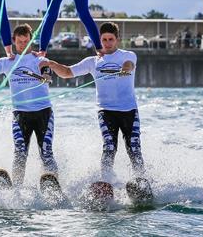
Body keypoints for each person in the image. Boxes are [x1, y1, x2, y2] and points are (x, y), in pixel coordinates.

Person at [44, 22, 145, 180]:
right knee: (109, 146)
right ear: (100, 40)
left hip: (129, 110)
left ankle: (141, 179)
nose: (107, 43)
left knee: (134, 147)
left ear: (117, 39)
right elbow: (68, 72)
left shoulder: (128, 55)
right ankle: (106, 181)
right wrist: (54, 65)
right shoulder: (92, 62)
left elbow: (129, 65)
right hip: (106, 111)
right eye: (104, 39)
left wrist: (125, 69)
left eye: (111, 39)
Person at [0, 23, 67, 186]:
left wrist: (46, 74)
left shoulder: (39, 59)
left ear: (31, 40)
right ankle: (16, 187)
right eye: (19, 41)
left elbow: (45, 67)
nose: (23, 44)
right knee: (20, 153)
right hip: (20, 114)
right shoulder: (7, 62)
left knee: (46, 152)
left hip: (43, 113)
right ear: (14, 42)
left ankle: (53, 183)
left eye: (26, 41)